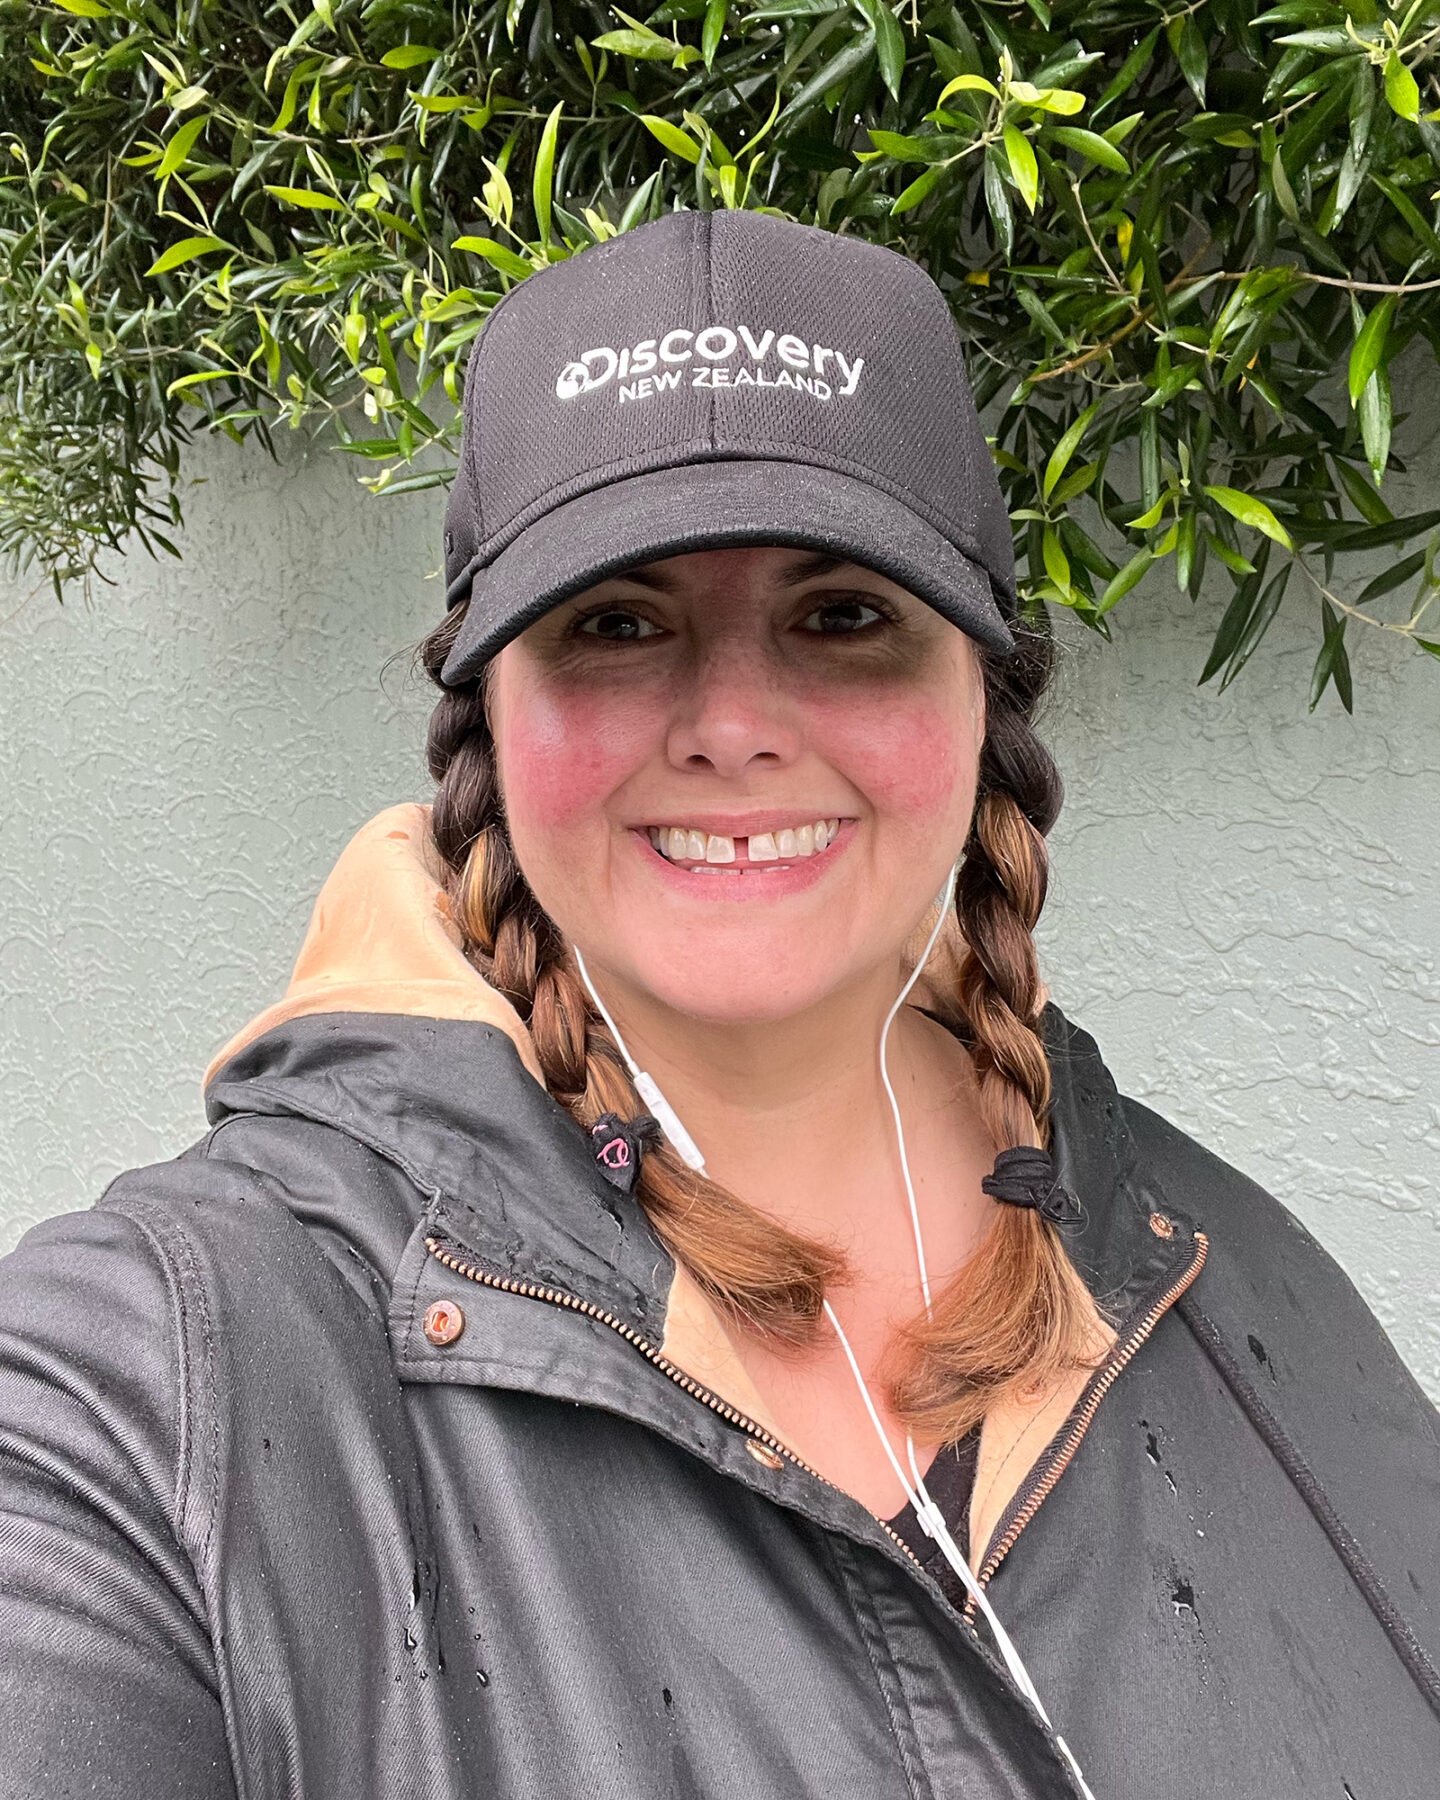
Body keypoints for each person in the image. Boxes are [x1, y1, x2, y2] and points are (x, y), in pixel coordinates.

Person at [0, 209, 1436, 1800]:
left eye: (843, 615)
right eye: (617, 623)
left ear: (987, 695)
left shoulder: (1225, 1273)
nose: (734, 725)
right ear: (488, 719)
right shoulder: (160, 1385)